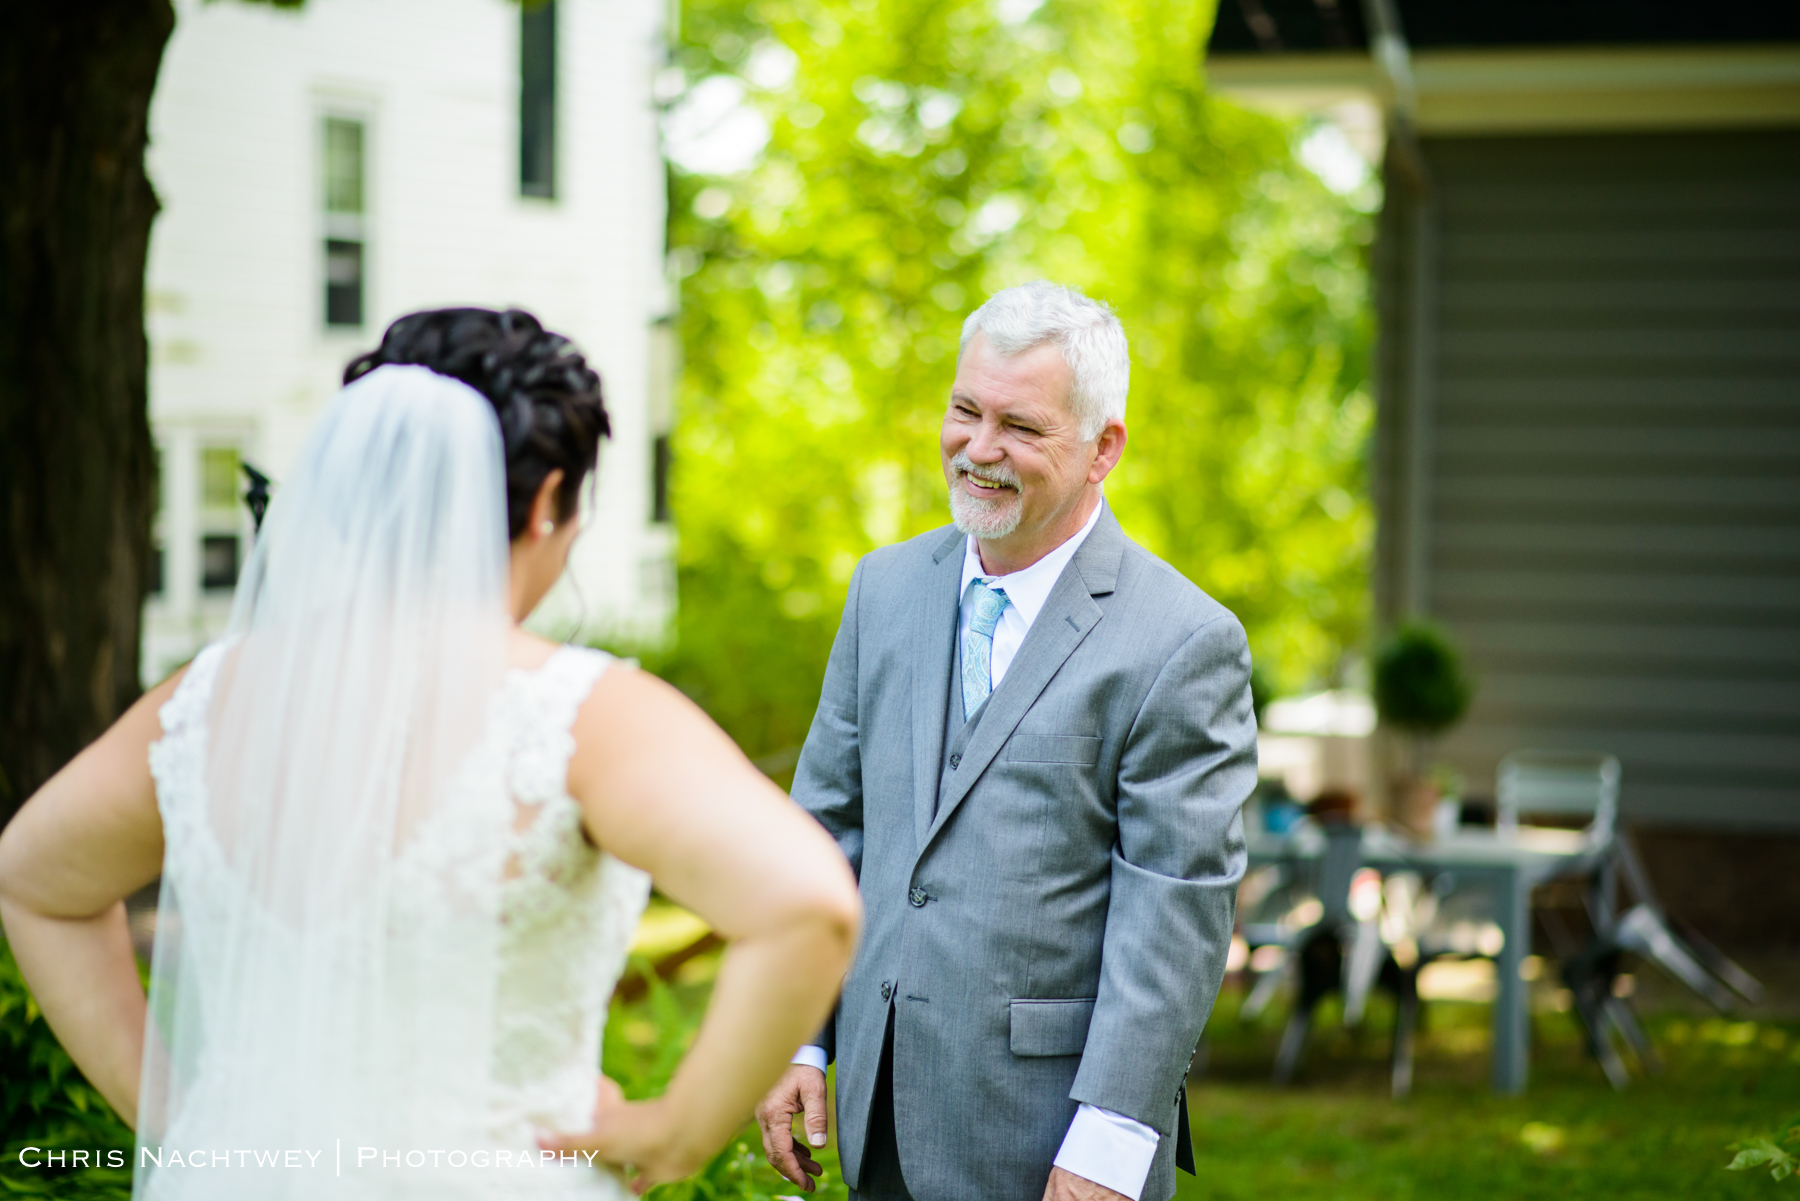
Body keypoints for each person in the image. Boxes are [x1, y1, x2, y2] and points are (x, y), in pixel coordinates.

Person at [0, 308, 860, 1199]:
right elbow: (810, 905)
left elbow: (33, 879)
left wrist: (182, 1123)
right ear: (544, 502)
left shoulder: (206, 701)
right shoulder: (576, 711)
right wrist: (678, 1128)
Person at [753, 282, 1256, 1201]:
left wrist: (1107, 1142)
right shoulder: (884, 589)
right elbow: (827, 831)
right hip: (878, 1114)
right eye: (964, 411)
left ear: (1104, 446)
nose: (979, 450)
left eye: (1021, 427)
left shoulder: (1182, 640)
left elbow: (1174, 916)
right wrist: (801, 1035)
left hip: (1050, 1133)